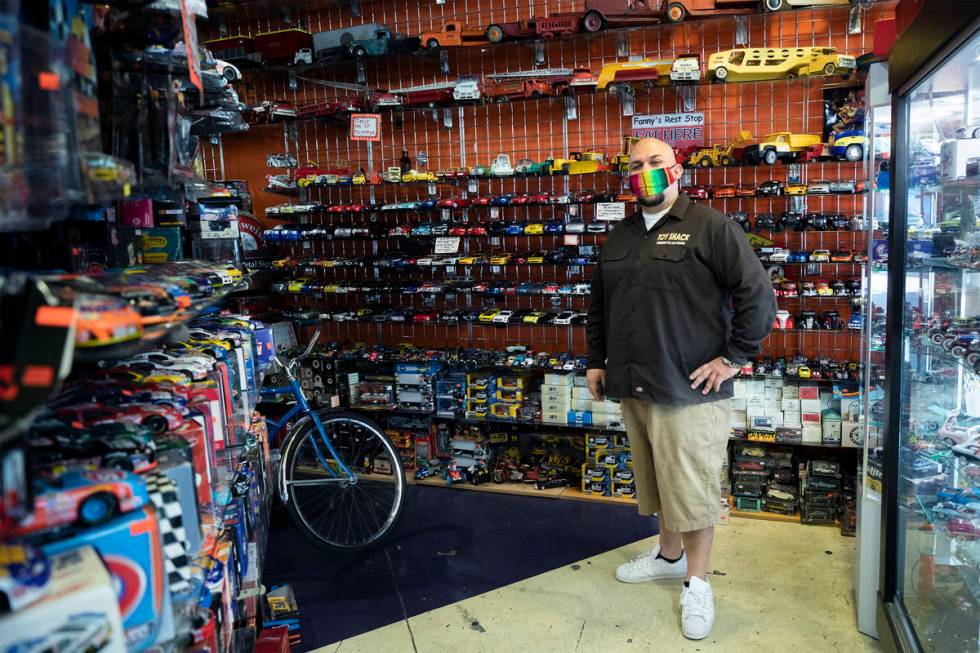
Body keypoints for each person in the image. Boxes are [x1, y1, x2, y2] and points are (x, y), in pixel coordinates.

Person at [585, 138, 776, 640]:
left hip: (687, 391)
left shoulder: (711, 228)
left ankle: (697, 581)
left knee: (690, 492)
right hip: (634, 384)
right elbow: (598, 307)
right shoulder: (621, 236)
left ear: (676, 170)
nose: (645, 172)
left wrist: (733, 357)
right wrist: (594, 362)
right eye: (635, 166)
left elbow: (758, 294)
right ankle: (669, 556)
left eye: (655, 163)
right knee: (657, 482)